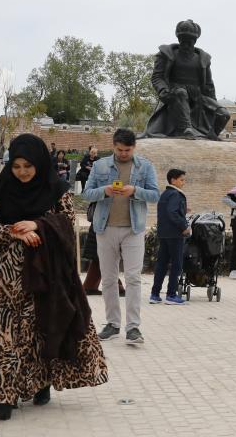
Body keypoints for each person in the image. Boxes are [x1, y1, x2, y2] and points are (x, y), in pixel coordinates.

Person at [0, 134, 107, 429]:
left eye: (28, 166)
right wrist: (13, 232)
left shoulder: (56, 189)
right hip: (0, 278)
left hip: (43, 276)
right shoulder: (1, 189)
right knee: (0, 338)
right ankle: (1, 400)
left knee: (37, 334)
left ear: (40, 164)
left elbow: (69, 223)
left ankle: (39, 383)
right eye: (17, 165)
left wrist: (38, 224)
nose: (22, 172)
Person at [82, 128, 160, 347]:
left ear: (134, 147)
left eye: (127, 150)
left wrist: (135, 190)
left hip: (133, 229)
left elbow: (155, 195)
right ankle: (112, 323)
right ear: (113, 146)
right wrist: (104, 190)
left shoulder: (145, 166)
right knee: (108, 278)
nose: (124, 153)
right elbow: (86, 193)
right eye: (119, 149)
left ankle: (133, 327)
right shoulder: (99, 166)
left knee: (133, 278)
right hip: (105, 228)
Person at [150, 169, 190, 306]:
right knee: (177, 264)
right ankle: (171, 295)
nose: (183, 182)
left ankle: (155, 294)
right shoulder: (176, 194)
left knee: (162, 263)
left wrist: (184, 211)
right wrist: (184, 226)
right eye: (182, 180)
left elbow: (168, 211)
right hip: (175, 234)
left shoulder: (165, 194)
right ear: (173, 180)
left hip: (164, 233)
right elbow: (172, 212)